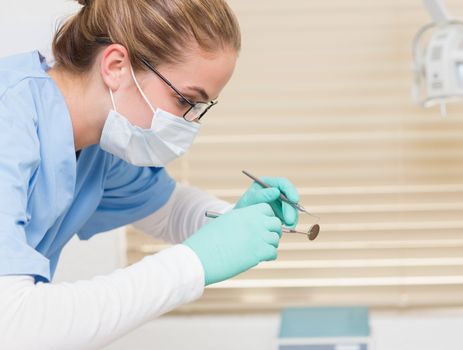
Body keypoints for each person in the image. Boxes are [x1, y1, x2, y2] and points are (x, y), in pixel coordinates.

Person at [0, 0, 300, 348]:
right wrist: (193, 264)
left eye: (201, 108)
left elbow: (166, 209)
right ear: (115, 66)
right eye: (185, 101)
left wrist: (234, 218)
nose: (190, 123)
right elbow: (12, 323)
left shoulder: (98, 143)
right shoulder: (9, 121)